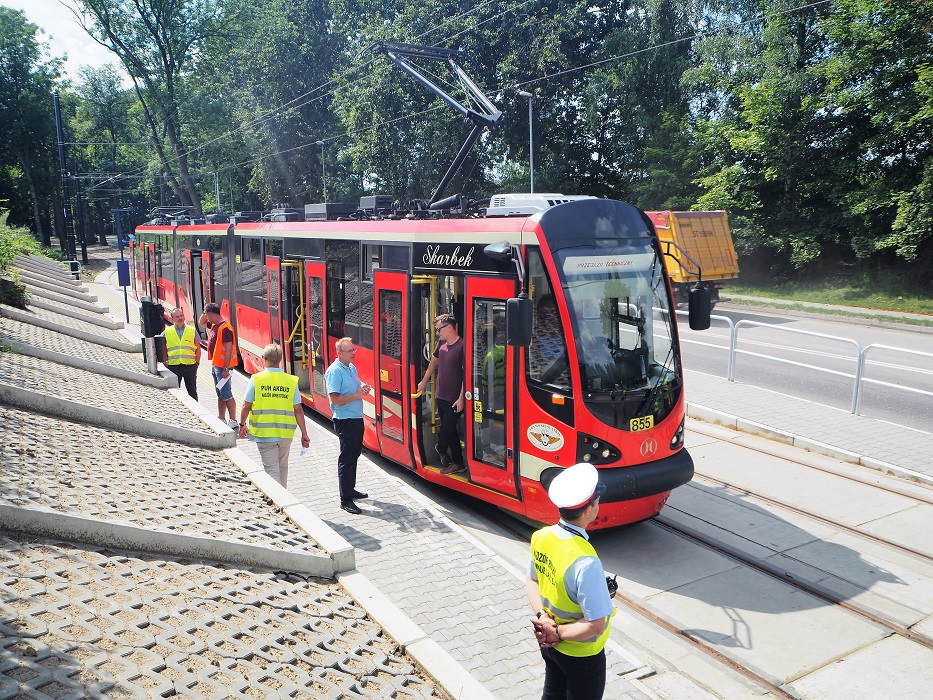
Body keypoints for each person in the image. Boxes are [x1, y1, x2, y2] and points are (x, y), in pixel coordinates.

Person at [526, 463, 616, 700]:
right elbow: (596, 625)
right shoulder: (585, 561)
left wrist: (543, 620)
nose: (598, 504)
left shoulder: (541, 536)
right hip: (582, 653)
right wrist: (557, 632)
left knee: (553, 694)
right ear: (588, 510)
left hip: (548, 643)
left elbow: (532, 580)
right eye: (597, 501)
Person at [237, 344, 310, 487]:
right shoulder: (290, 381)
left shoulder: (256, 379)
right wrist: (304, 433)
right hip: (286, 434)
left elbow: (246, 405)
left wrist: (242, 424)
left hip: (265, 435)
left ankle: (279, 501)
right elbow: (298, 410)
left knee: (271, 471)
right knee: (283, 468)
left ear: (264, 359)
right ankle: (284, 498)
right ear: (280, 360)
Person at [325, 337, 371, 515]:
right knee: (347, 457)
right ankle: (345, 499)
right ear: (339, 353)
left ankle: (350, 489)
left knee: (355, 454)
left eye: (354, 349)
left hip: (356, 418)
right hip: (345, 420)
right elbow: (335, 399)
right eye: (350, 350)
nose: (354, 352)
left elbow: (355, 387)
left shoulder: (351, 367)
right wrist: (357, 394)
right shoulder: (334, 371)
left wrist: (362, 388)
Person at [416, 313, 466, 475]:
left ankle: (441, 449)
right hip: (440, 395)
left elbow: (467, 376)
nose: (437, 333)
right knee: (451, 432)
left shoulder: (462, 346)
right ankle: (458, 463)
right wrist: (424, 381)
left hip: (454, 399)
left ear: (449, 327)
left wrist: (461, 399)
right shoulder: (441, 344)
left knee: (445, 431)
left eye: (439, 329)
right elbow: (434, 362)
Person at [198, 302, 238, 429]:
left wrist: (226, 368)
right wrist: (205, 311)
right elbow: (201, 322)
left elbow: (228, 349)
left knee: (227, 394)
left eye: (207, 314)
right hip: (217, 366)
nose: (206, 317)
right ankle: (221, 417)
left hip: (223, 368)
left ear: (211, 315)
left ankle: (233, 420)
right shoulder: (215, 325)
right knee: (220, 394)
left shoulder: (225, 328)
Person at [160, 307, 201, 400]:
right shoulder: (167, 332)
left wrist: (197, 363)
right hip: (174, 366)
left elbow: (198, 348)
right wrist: (164, 361)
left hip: (190, 366)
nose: (180, 318)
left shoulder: (192, 330)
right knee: (174, 392)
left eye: (181, 315)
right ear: (172, 319)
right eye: (177, 316)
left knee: (192, 392)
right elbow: (162, 347)